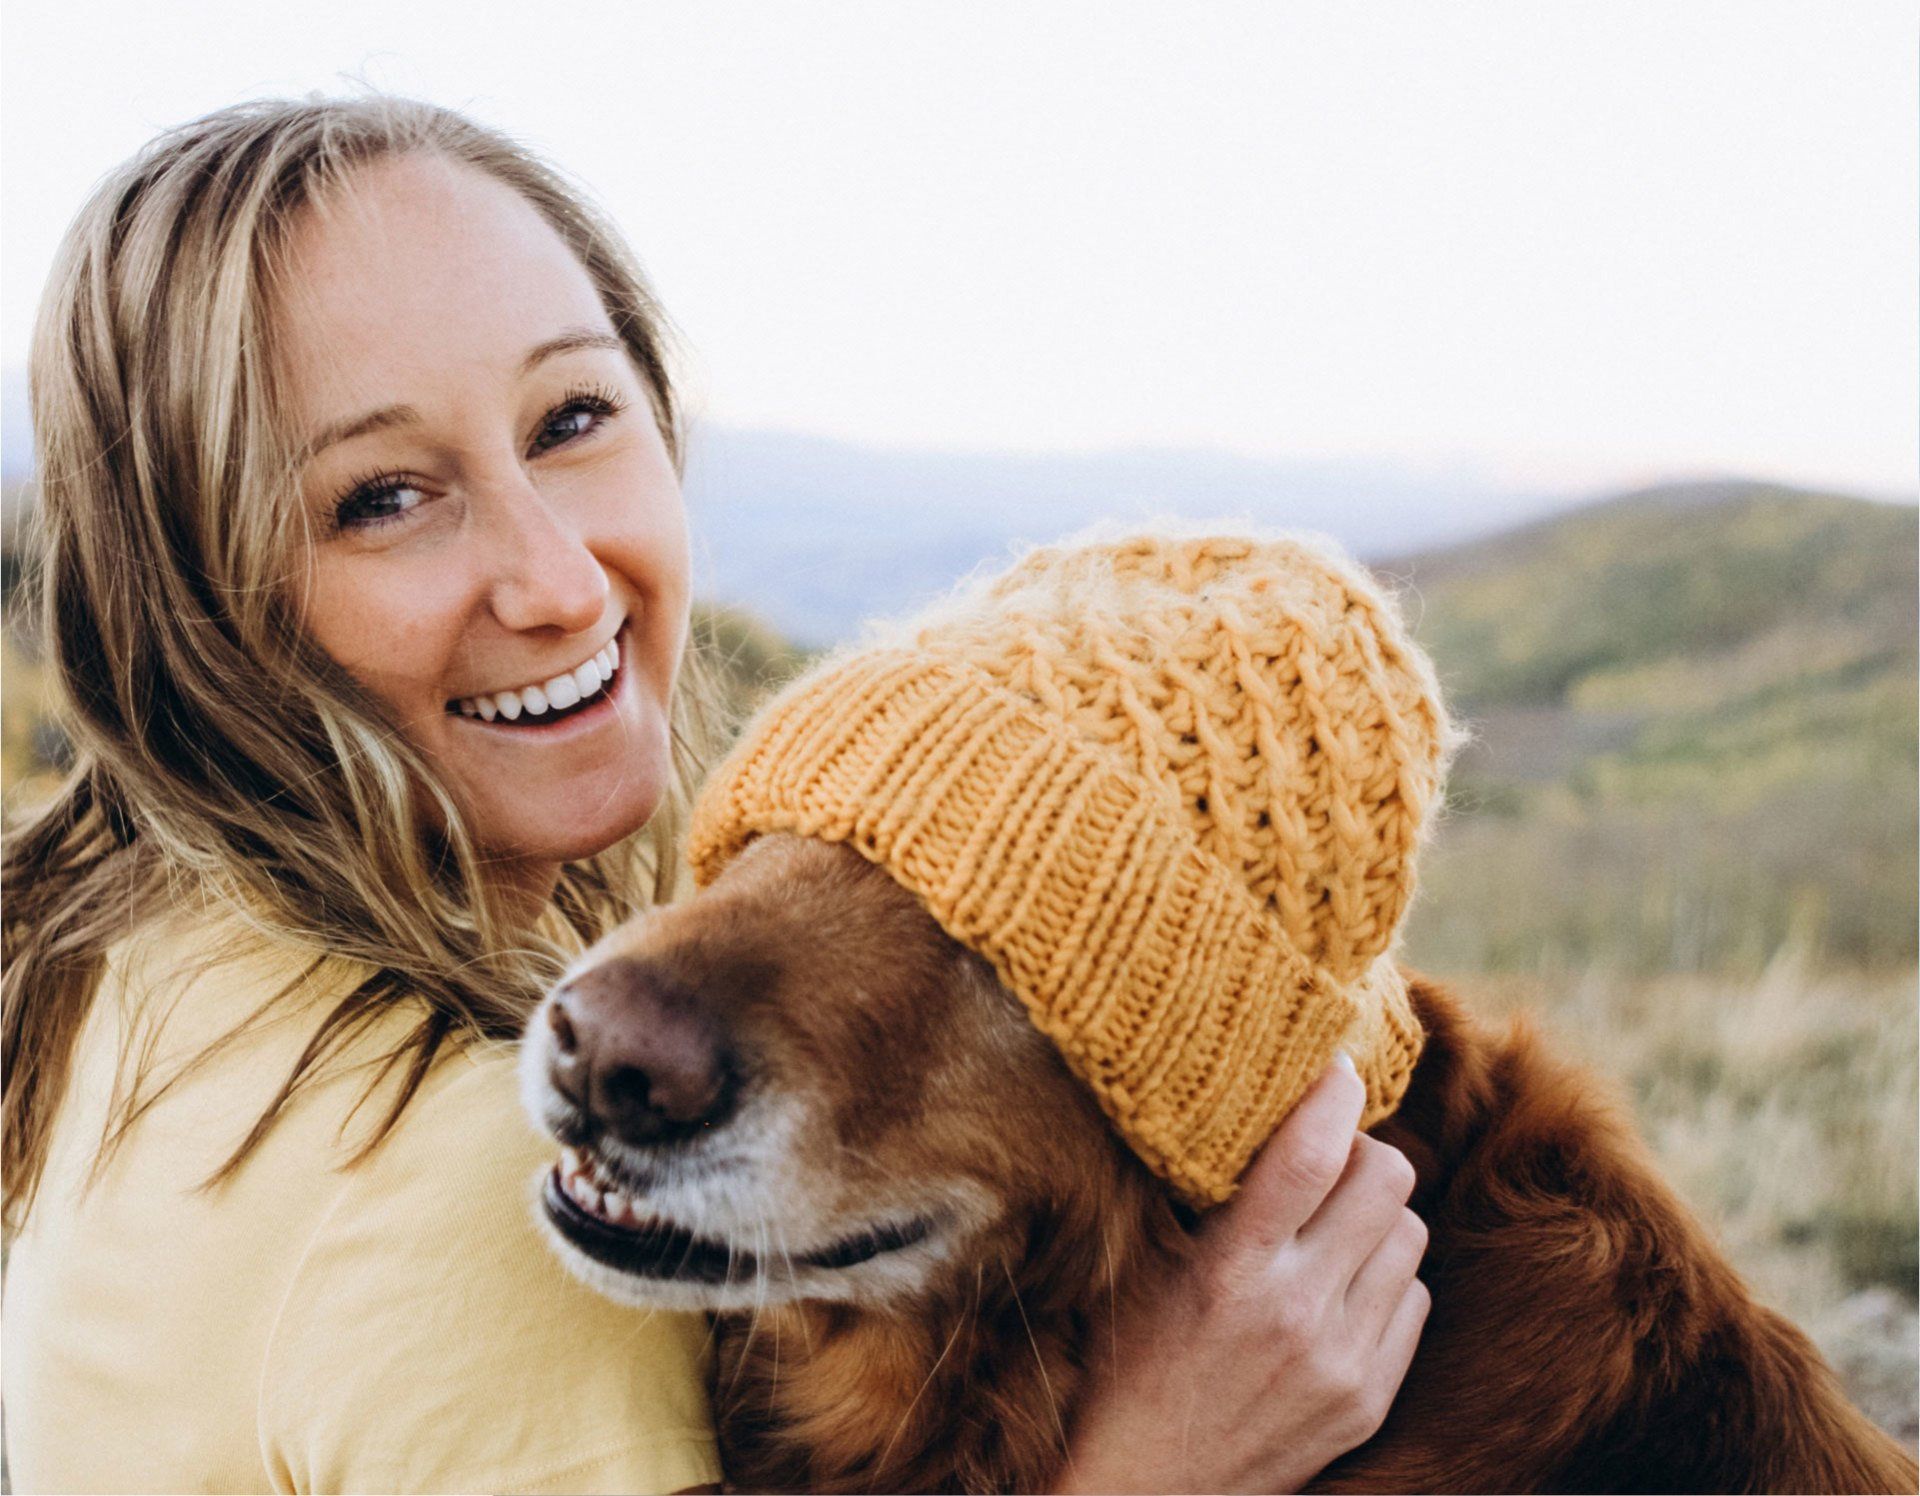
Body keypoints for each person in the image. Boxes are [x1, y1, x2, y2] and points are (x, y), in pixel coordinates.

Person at [1, 94, 1430, 1494]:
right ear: (187, 610)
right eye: (380, 498)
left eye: (571, 416)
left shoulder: (124, 966)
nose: (562, 583)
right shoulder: (473, 1194)